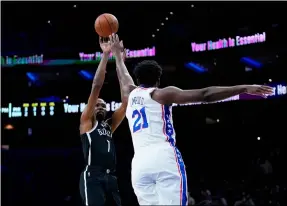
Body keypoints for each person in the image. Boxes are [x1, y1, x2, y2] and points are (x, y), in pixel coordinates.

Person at [109, 33, 273, 205]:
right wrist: (244, 88)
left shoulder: (129, 94)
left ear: (138, 78)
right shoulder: (161, 94)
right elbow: (205, 95)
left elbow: (123, 76)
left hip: (139, 163)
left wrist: (118, 58)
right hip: (162, 156)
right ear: (158, 79)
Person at [79, 37, 127, 206]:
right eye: (97, 104)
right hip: (93, 176)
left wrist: (120, 62)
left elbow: (127, 100)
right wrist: (106, 55)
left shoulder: (109, 125)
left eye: (103, 105)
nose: (100, 107)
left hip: (111, 177)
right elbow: (96, 86)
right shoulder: (87, 122)